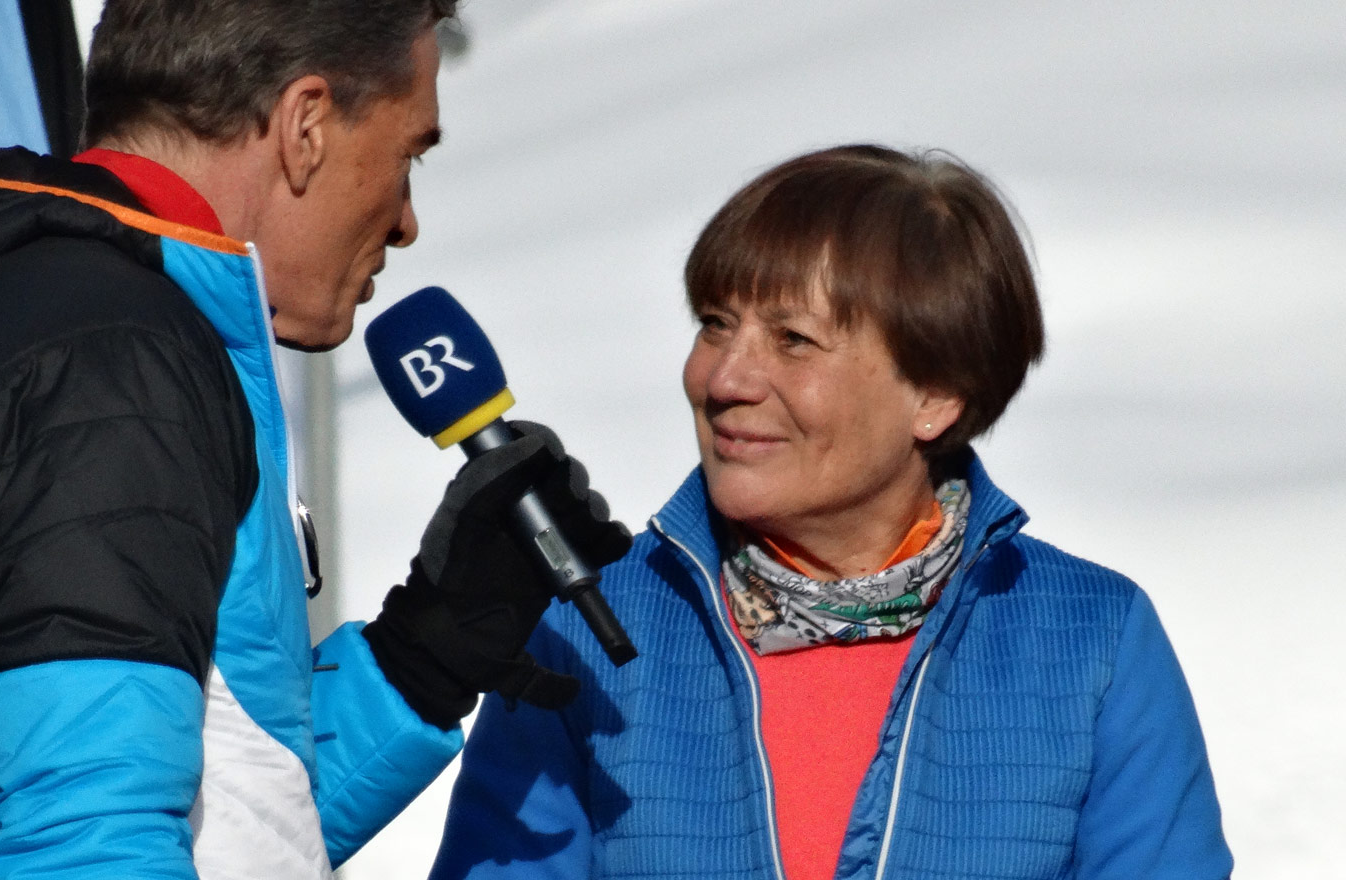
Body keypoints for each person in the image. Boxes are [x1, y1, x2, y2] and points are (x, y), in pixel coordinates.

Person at [0, 0, 627, 880]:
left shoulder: (36, 314)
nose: (406, 220)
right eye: (406, 155)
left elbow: (206, 823)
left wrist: (424, 655)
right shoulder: (103, 351)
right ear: (306, 125)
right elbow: (83, 846)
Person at [431, 145, 1232, 880]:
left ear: (935, 395)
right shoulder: (586, 629)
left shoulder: (1091, 641)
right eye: (715, 324)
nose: (725, 379)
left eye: (793, 340)